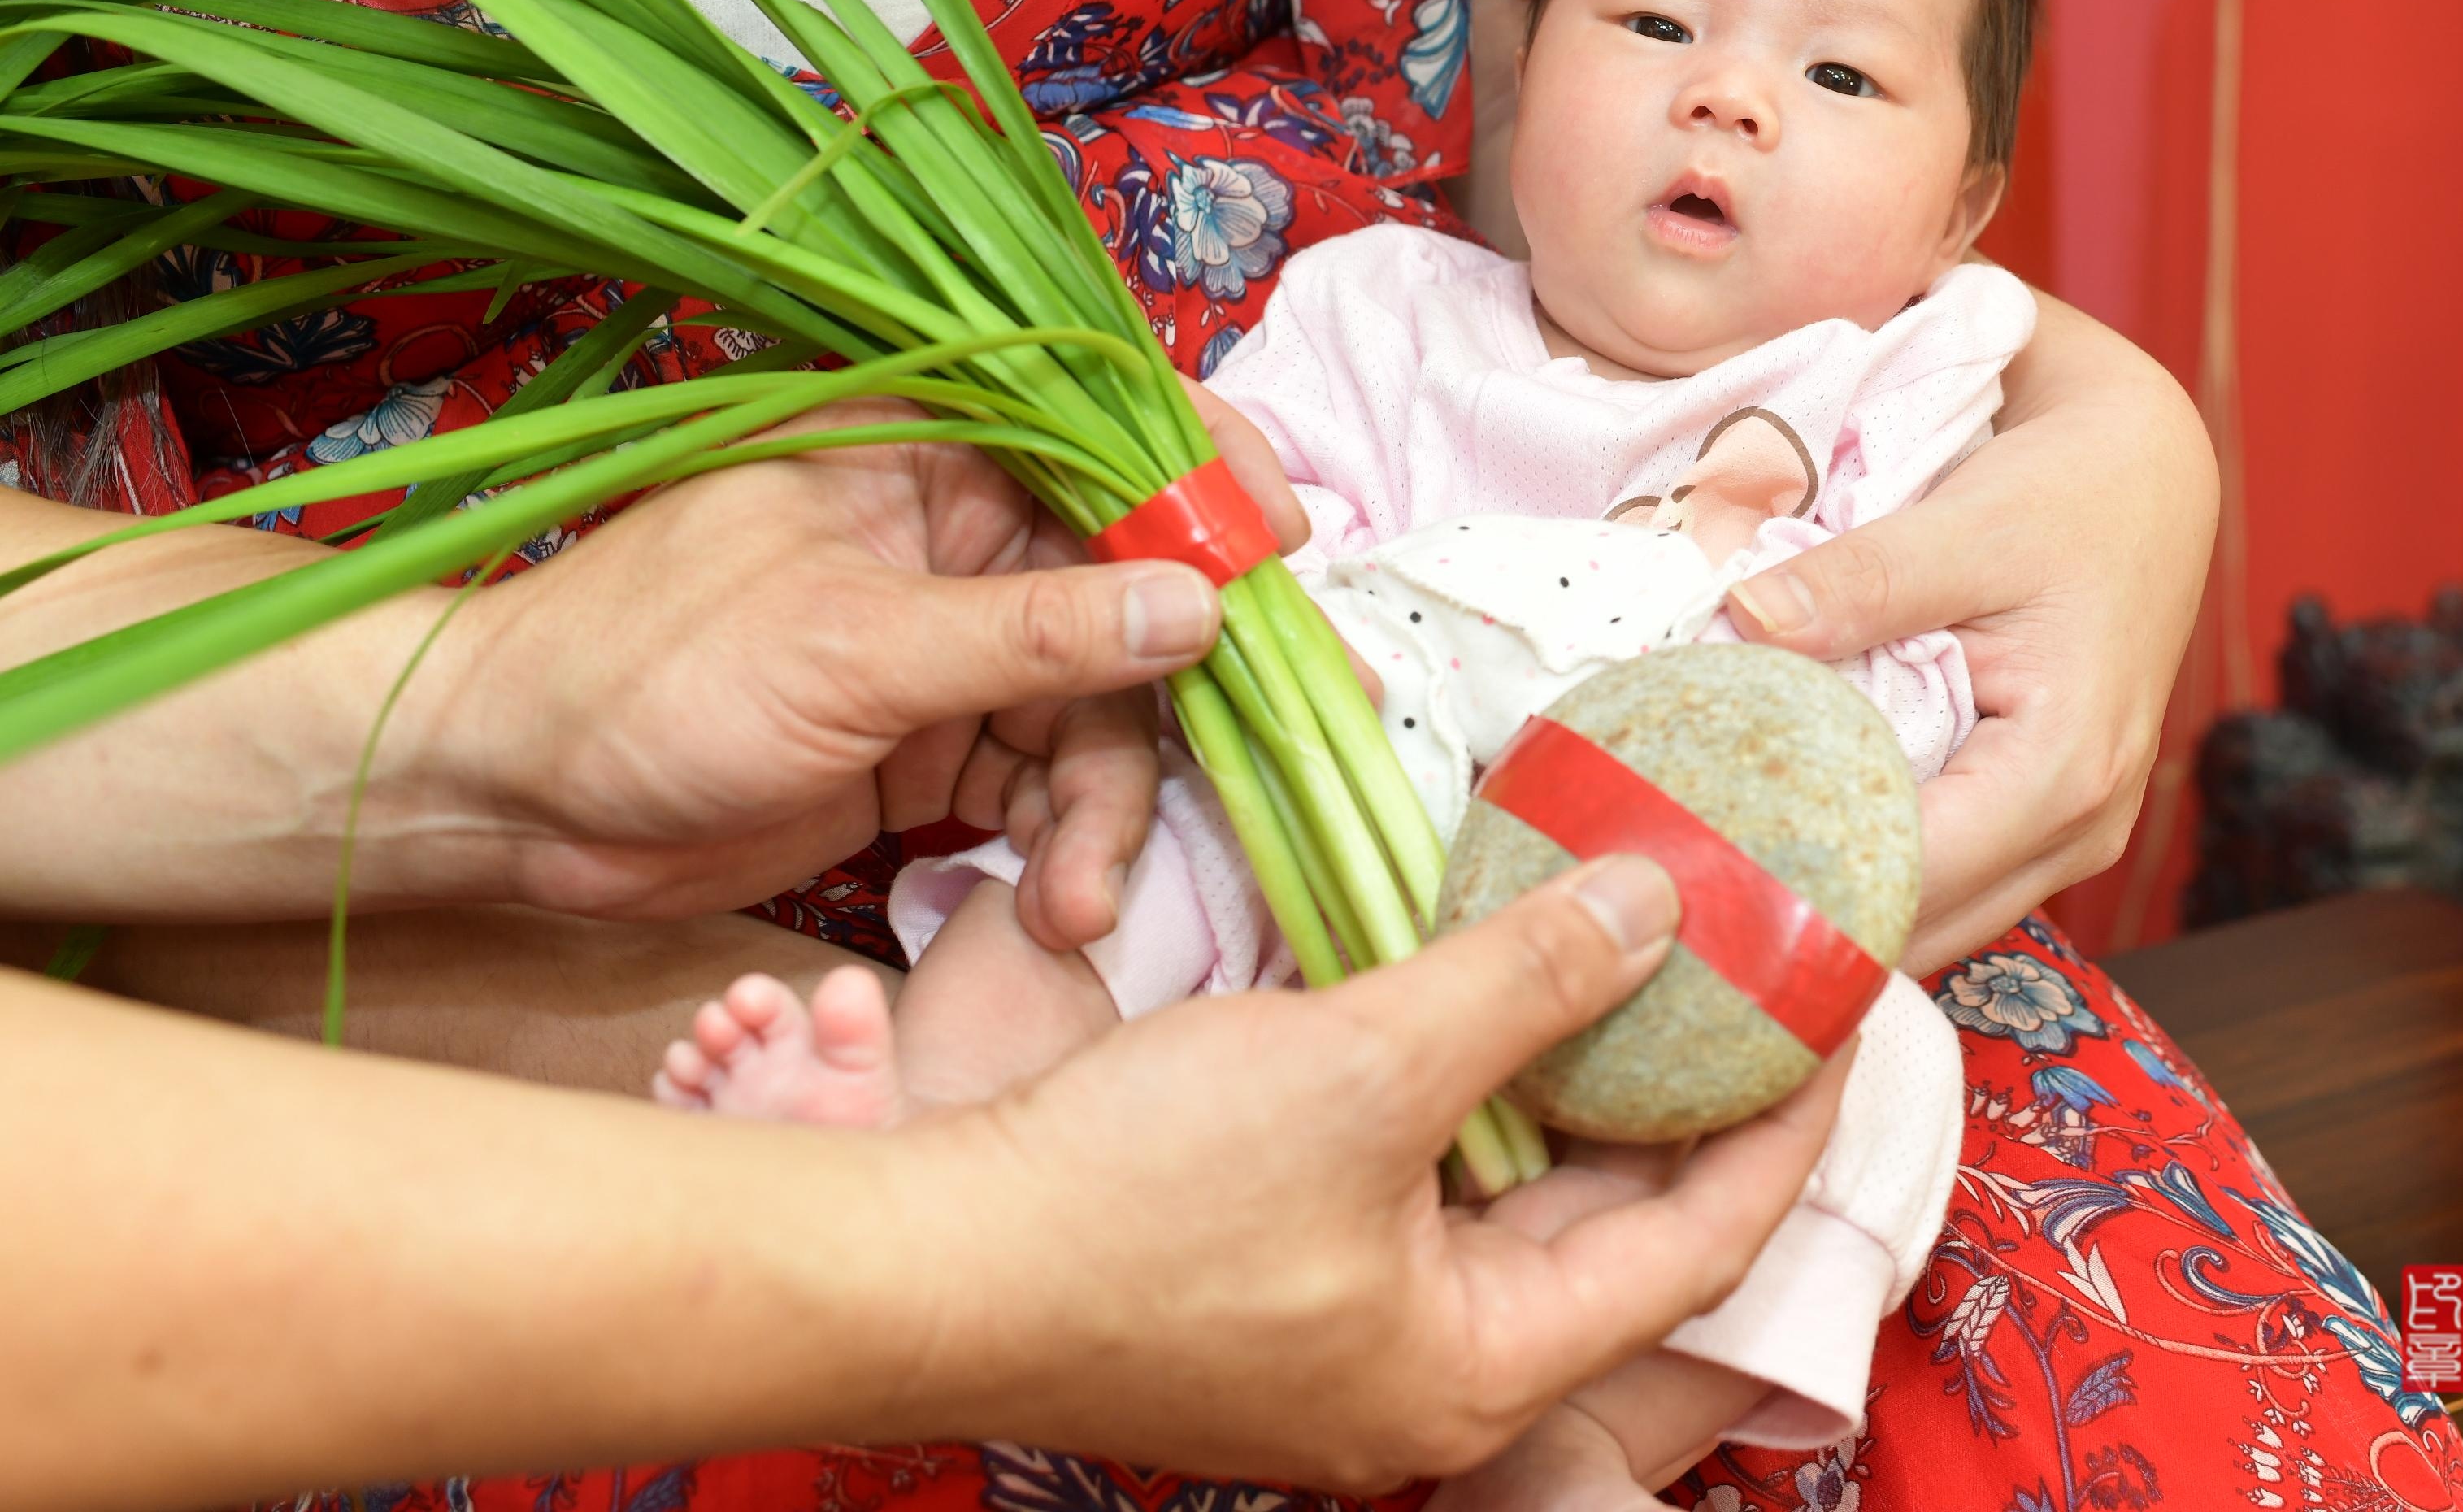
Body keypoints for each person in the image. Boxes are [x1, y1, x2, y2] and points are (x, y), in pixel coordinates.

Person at [2, 0, 2463, 1507]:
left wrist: (2100, 425)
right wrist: (506, 754)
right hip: (507, 963)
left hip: (1578, 782)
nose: (1745, 91)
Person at [667, 0, 2032, 1510]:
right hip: (1314, 814)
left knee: (1884, 1077)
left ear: (1961, 212)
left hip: (1662, 906)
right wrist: (1135, 440)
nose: (1732, 100)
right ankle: (902, 1152)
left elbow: (1931, 622)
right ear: (1527, 72)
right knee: (1082, 895)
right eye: (1661, 24)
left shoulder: (1883, 380)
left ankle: (1583, 1442)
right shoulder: (1385, 301)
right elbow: (1244, 480)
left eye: (1841, 73)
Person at [0, 424, 1854, 1508]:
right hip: (1131, 862)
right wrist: (977, 1235)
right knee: (1068, 934)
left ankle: (1582, 1442)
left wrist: (2107, 420)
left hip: (1038, 729)